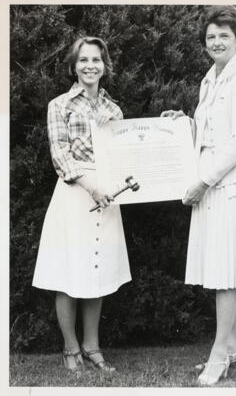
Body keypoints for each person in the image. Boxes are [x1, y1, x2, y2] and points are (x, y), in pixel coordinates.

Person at [161, 5, 236, 385]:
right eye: (210, 37)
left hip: (233, 186)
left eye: (224, 35)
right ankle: (235, 346)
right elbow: (210, 134)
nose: (216, 42)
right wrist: (184, 124)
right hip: (213, 182)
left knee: (228, 271)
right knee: (222, 268)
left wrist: (203, 181)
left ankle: (220, 353)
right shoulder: (210, 80)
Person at [32, 36, 131, 373]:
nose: (91, 65)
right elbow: (60, 155)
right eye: (84, 60)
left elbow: (123, 157)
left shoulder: (113, 110)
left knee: (97, 269)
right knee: (70, 271)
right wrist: (90, 185)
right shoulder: (59, 105)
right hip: (76, 193)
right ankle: (70, 347)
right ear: (73, 66)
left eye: (97, 60)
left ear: (105, 66)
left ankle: (92, 345)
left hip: (107, 195)